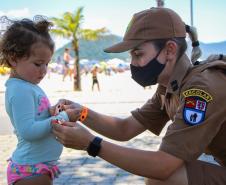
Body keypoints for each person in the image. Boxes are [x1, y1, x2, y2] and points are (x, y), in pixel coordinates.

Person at [52, 7, 226, 185]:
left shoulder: (201, 89)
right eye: (131, 56)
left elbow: (163, 165)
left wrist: (91, 143)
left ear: (170, 50)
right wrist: (81, 113)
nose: (133, 64)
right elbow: (124, 128)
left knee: (165, 178)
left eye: (138, 54)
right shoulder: (169, 87)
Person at [0, 16, 69, 185]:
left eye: (47, 64)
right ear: (13, 58)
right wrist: (61, 118)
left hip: (37, 166)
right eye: (38, 64)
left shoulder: (27, 85)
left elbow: (37, 117)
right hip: (29, 169)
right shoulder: (20, 89)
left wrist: (52, 111)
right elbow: (28, 131)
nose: (44, 70)